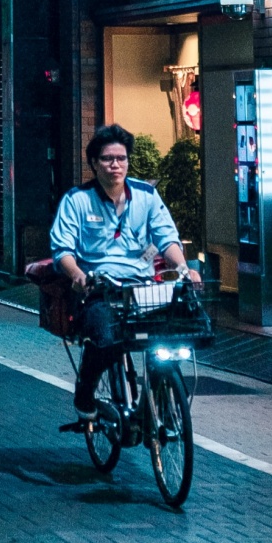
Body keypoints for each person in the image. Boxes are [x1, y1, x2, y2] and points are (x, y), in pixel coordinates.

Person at [50, 122, 201, 419]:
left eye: (121, 158)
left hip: (142, 287)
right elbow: (63, 250)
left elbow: (166, 239)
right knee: (105, 340)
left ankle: (165, 387)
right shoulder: (77, 200)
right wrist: (78, 274)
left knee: (175, 331)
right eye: (107, 159)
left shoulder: (146, 195)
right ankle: (85, 390)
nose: (115, 165)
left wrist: (184, 268)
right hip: (99, 289)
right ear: (94, 163)